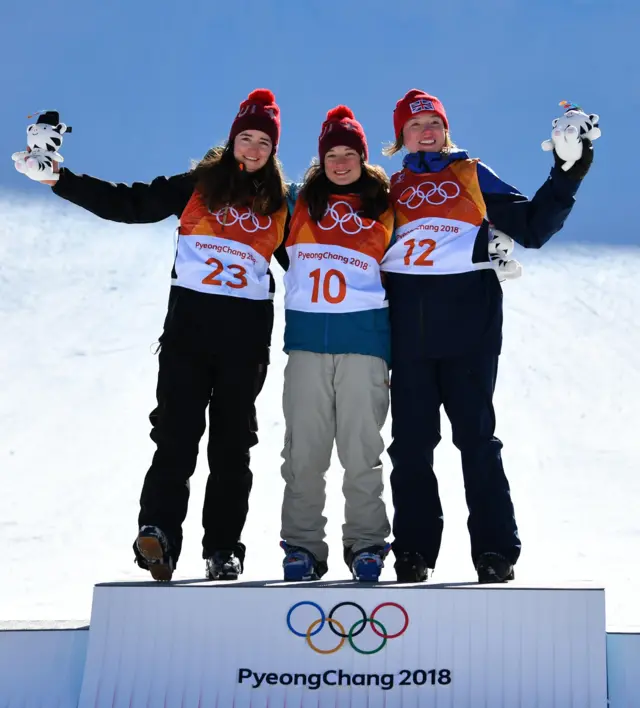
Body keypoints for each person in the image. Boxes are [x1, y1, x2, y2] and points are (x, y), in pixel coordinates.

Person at [18, 90, 289, 581]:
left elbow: (317, 266)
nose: (252, 149)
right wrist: (59, 179)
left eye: (263, 142)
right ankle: (158, 536)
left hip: (245, 347)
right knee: (175, 439)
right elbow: (131, 203)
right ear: (231, 142)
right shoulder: (196, 185)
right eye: (245, 138)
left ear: (273, 151)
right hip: (188, 337)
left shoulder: (280, 205)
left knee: (232, 449)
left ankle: (224, 550)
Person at [381, 89, 594, 583]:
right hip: (408, 335)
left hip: (469, 330)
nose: (426, 131)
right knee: (411, 445)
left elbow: (534, 227)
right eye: (414, 125)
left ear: (446, 128)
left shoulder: (471, 174)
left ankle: (495, 553)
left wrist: (569, 168)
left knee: (476, 441)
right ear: (400, 137)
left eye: (433, 121)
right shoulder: (387, 188)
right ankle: (413, 551)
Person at [279, 106, 394, 582]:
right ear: (321, 158)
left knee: (360, 449)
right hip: (306, 342)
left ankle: (366, 542)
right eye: (333, 153)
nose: (341, 162)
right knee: (303, 451)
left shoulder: (387, 203)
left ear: (363, 158)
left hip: (364, 342)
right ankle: (303, 546)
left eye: (350, 153)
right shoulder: (296, 201)